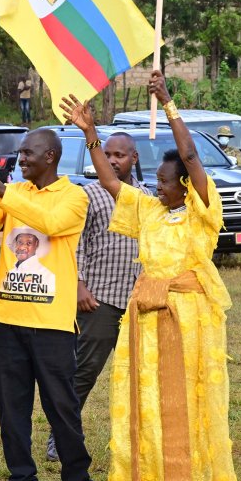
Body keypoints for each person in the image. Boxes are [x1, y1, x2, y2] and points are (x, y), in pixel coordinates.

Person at [61, 72, 236, 481]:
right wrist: (90, 134)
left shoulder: (202, 212)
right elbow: (109, 182)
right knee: (149, 395)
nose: (157, 186)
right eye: (155, 180)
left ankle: (190, 473)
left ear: (185, 186)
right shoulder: (150, 211)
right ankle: (152, 470)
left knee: (186, 395)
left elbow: (190, 156)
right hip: (146, 319)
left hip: (189, 321)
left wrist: (167, 102)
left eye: (164, 181)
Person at [0, 128, 94, 481]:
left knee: (62, 409)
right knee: (11, 411)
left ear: (50, 156)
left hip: (53, 325)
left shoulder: (74, 196)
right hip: (7, 322)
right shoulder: (15, 192)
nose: (21, 159)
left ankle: (77, 478)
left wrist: (3, 191)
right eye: (20, 153)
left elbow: (50, 223)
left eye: (28, 153)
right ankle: (22, 478)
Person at [45, 133, 151, 461]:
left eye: (120, 155)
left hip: (139, 301)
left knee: (141, 374)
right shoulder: (89, 195)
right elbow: (75, 243)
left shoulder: (147, 196)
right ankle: (60, 436)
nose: (113, 160)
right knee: (84, 371)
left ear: (134, 158)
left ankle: (141, 440)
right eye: (108, 155)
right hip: (99, 299)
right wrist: (79, 285)